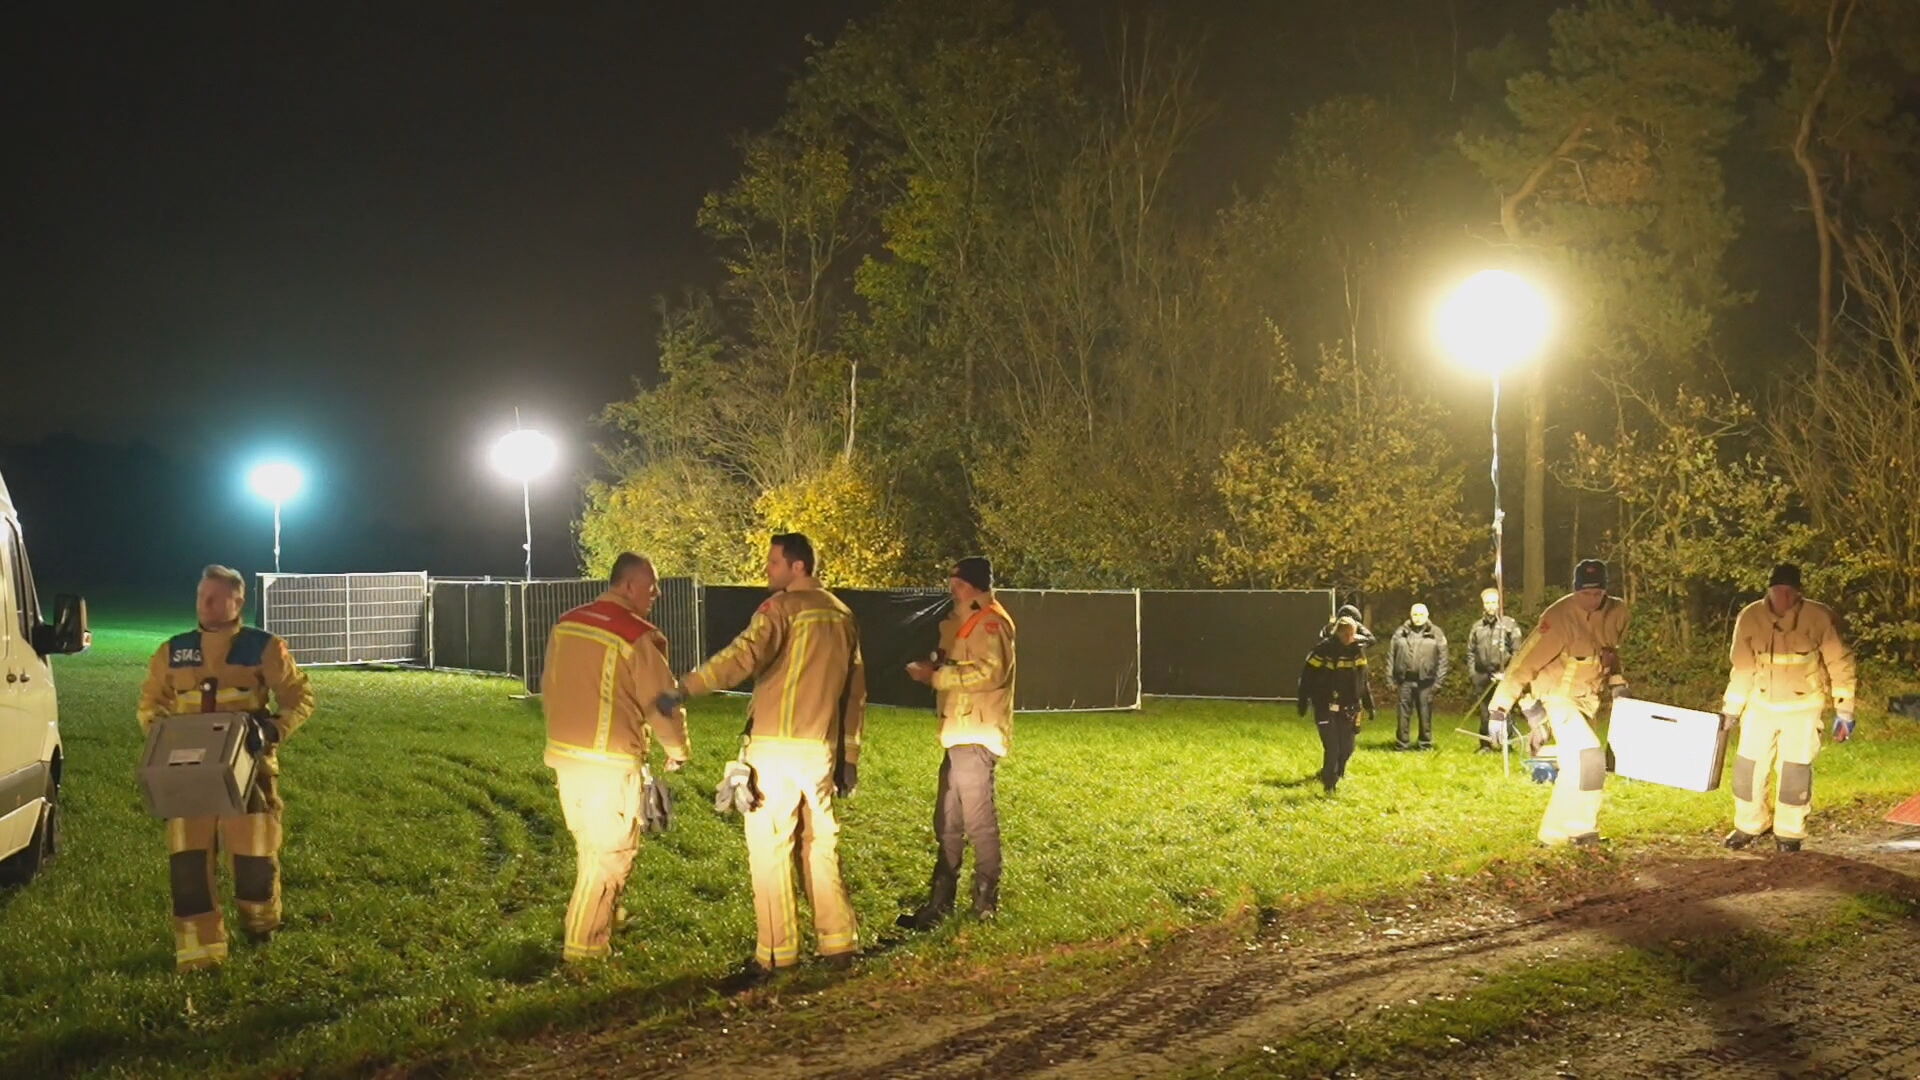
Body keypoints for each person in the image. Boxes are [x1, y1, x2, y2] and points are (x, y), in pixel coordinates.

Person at [661, 533, 866, 982]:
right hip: (820, 750)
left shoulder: (781, 610)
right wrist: (848, 755)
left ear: (798, 567)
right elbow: (855, 693)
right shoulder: (843, 615)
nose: (767, 571)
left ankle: (775, 955)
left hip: (774, 747)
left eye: (774, 563)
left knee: (770, 848)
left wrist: (685, 687)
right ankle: (839, 944)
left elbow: (742, 656)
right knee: (819, 845)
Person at [136, 565, 313, 971]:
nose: (205, 604)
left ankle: (260, 924)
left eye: (214, 597)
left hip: (249, 771)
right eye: (201, 595)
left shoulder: (264, 648)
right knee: (188, 859)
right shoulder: (172, 650)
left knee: (254, 851)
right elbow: (150, 704)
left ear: (239, 601)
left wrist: (273, 730)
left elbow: (299, 697)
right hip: (187, 775)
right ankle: (199, 952)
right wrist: (160, 736)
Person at [541, 553, 691, 962]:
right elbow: (662, 703)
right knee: (612, 857)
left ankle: (602, 919)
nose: (656, 593)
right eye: (652, 585)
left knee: (591, 850)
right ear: (628, 586)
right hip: (610, 764)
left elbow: (549, 684)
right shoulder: (636, 636)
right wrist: (677, 751)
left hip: (566, 759)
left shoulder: (567, 623)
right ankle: (585, 952)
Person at [900, 556, 1015, 929]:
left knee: (978, 821)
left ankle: (984, 903)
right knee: (947, 820)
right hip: (960, 734)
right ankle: (940, 904)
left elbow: (991, 672)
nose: (951, 587)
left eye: (956, 581)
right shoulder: (967, 620)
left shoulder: (992, 621)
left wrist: (937, 676)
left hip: (976, 734)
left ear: (970, 584)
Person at [1488, 559, 1630, 846]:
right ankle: (1582, 830)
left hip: (1587, 701)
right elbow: (1523, 664)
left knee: (1573, 766)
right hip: (1556, 697)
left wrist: (1617, 684)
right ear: (1575, 590)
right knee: (1589, 756)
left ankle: (1553, 835)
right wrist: (1499, 708)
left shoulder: (1618, 612)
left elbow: (1610, 653)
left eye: (1597, 594)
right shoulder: (1558, 618)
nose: (1592, 600)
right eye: (1585, 594)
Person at [1720, 563, 1855, 853]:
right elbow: (1742, 667)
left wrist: (1845, 709)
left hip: (1803, 707)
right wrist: (1732, 707)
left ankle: (1789, 833)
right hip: (1761, 705)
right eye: (1777, 590)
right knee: (1747, 769)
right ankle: (1749, 825)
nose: (1783, 597)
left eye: (1789, 591)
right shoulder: (1750, 617)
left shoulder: (1819, 617)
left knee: (1794, 771)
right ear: (1768, 590)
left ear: (1798, 593)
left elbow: (1839, 662)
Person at [1297, 616, 1374, 793]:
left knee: (1347, 748)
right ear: (1338, 632)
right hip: (1325, 704)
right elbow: (1306, 677)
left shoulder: (1357, 652)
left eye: (1352, 634)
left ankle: (1336, 773)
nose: (1349, 638)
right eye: (1345, 634)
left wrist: (1369, 705)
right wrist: (1303, 701)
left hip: (1349, 707)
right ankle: (1329, 784)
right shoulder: (1322, 651)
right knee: (1332, 747)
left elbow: (1363, 681)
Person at [1466, 588, 1524, 751]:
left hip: (1503, 675)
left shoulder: (1508, 624)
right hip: (1482, 675)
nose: (1490, 606)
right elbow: (1470, 651)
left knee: (1503, 710)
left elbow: (1517, 652)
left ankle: (1507, 744)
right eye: (1487, 602)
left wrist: (1507, 673)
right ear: (1483, 605)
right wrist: (1473, 673)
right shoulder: (1477, 627)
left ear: (1499, 603)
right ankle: (1486, 744)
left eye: (1493, 602)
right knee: (1485, 712)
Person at [1388, 603, 1448, 750]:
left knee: (1425, 714)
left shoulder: (1436, 633)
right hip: (1405, 681)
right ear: (1410, 615)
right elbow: (1391, 656)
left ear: (1427, 615)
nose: (1418, 617)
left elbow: (1443, 659)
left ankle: (1425, 744)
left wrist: (1438, 682)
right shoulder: (1400, 632)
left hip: (1426, 682)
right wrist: (1390, 678)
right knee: (1403, 715)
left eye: (1421, 614)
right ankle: (1402, 744)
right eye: (1415, 614)